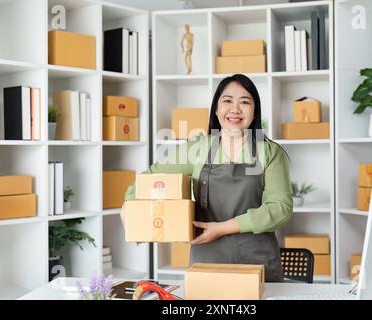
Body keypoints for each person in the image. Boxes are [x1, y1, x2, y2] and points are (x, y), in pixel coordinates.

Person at [121, 74, 293, 282]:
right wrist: (129, 205)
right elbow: (150, 178)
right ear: (216, 109)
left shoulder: (269, 152)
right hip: (207, 259)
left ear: (254, 110)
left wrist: (222, 229)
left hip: (257, 262)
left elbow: (280, 208)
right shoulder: (198, 148)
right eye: (227, 101)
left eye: (245, 102)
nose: (235, 109)